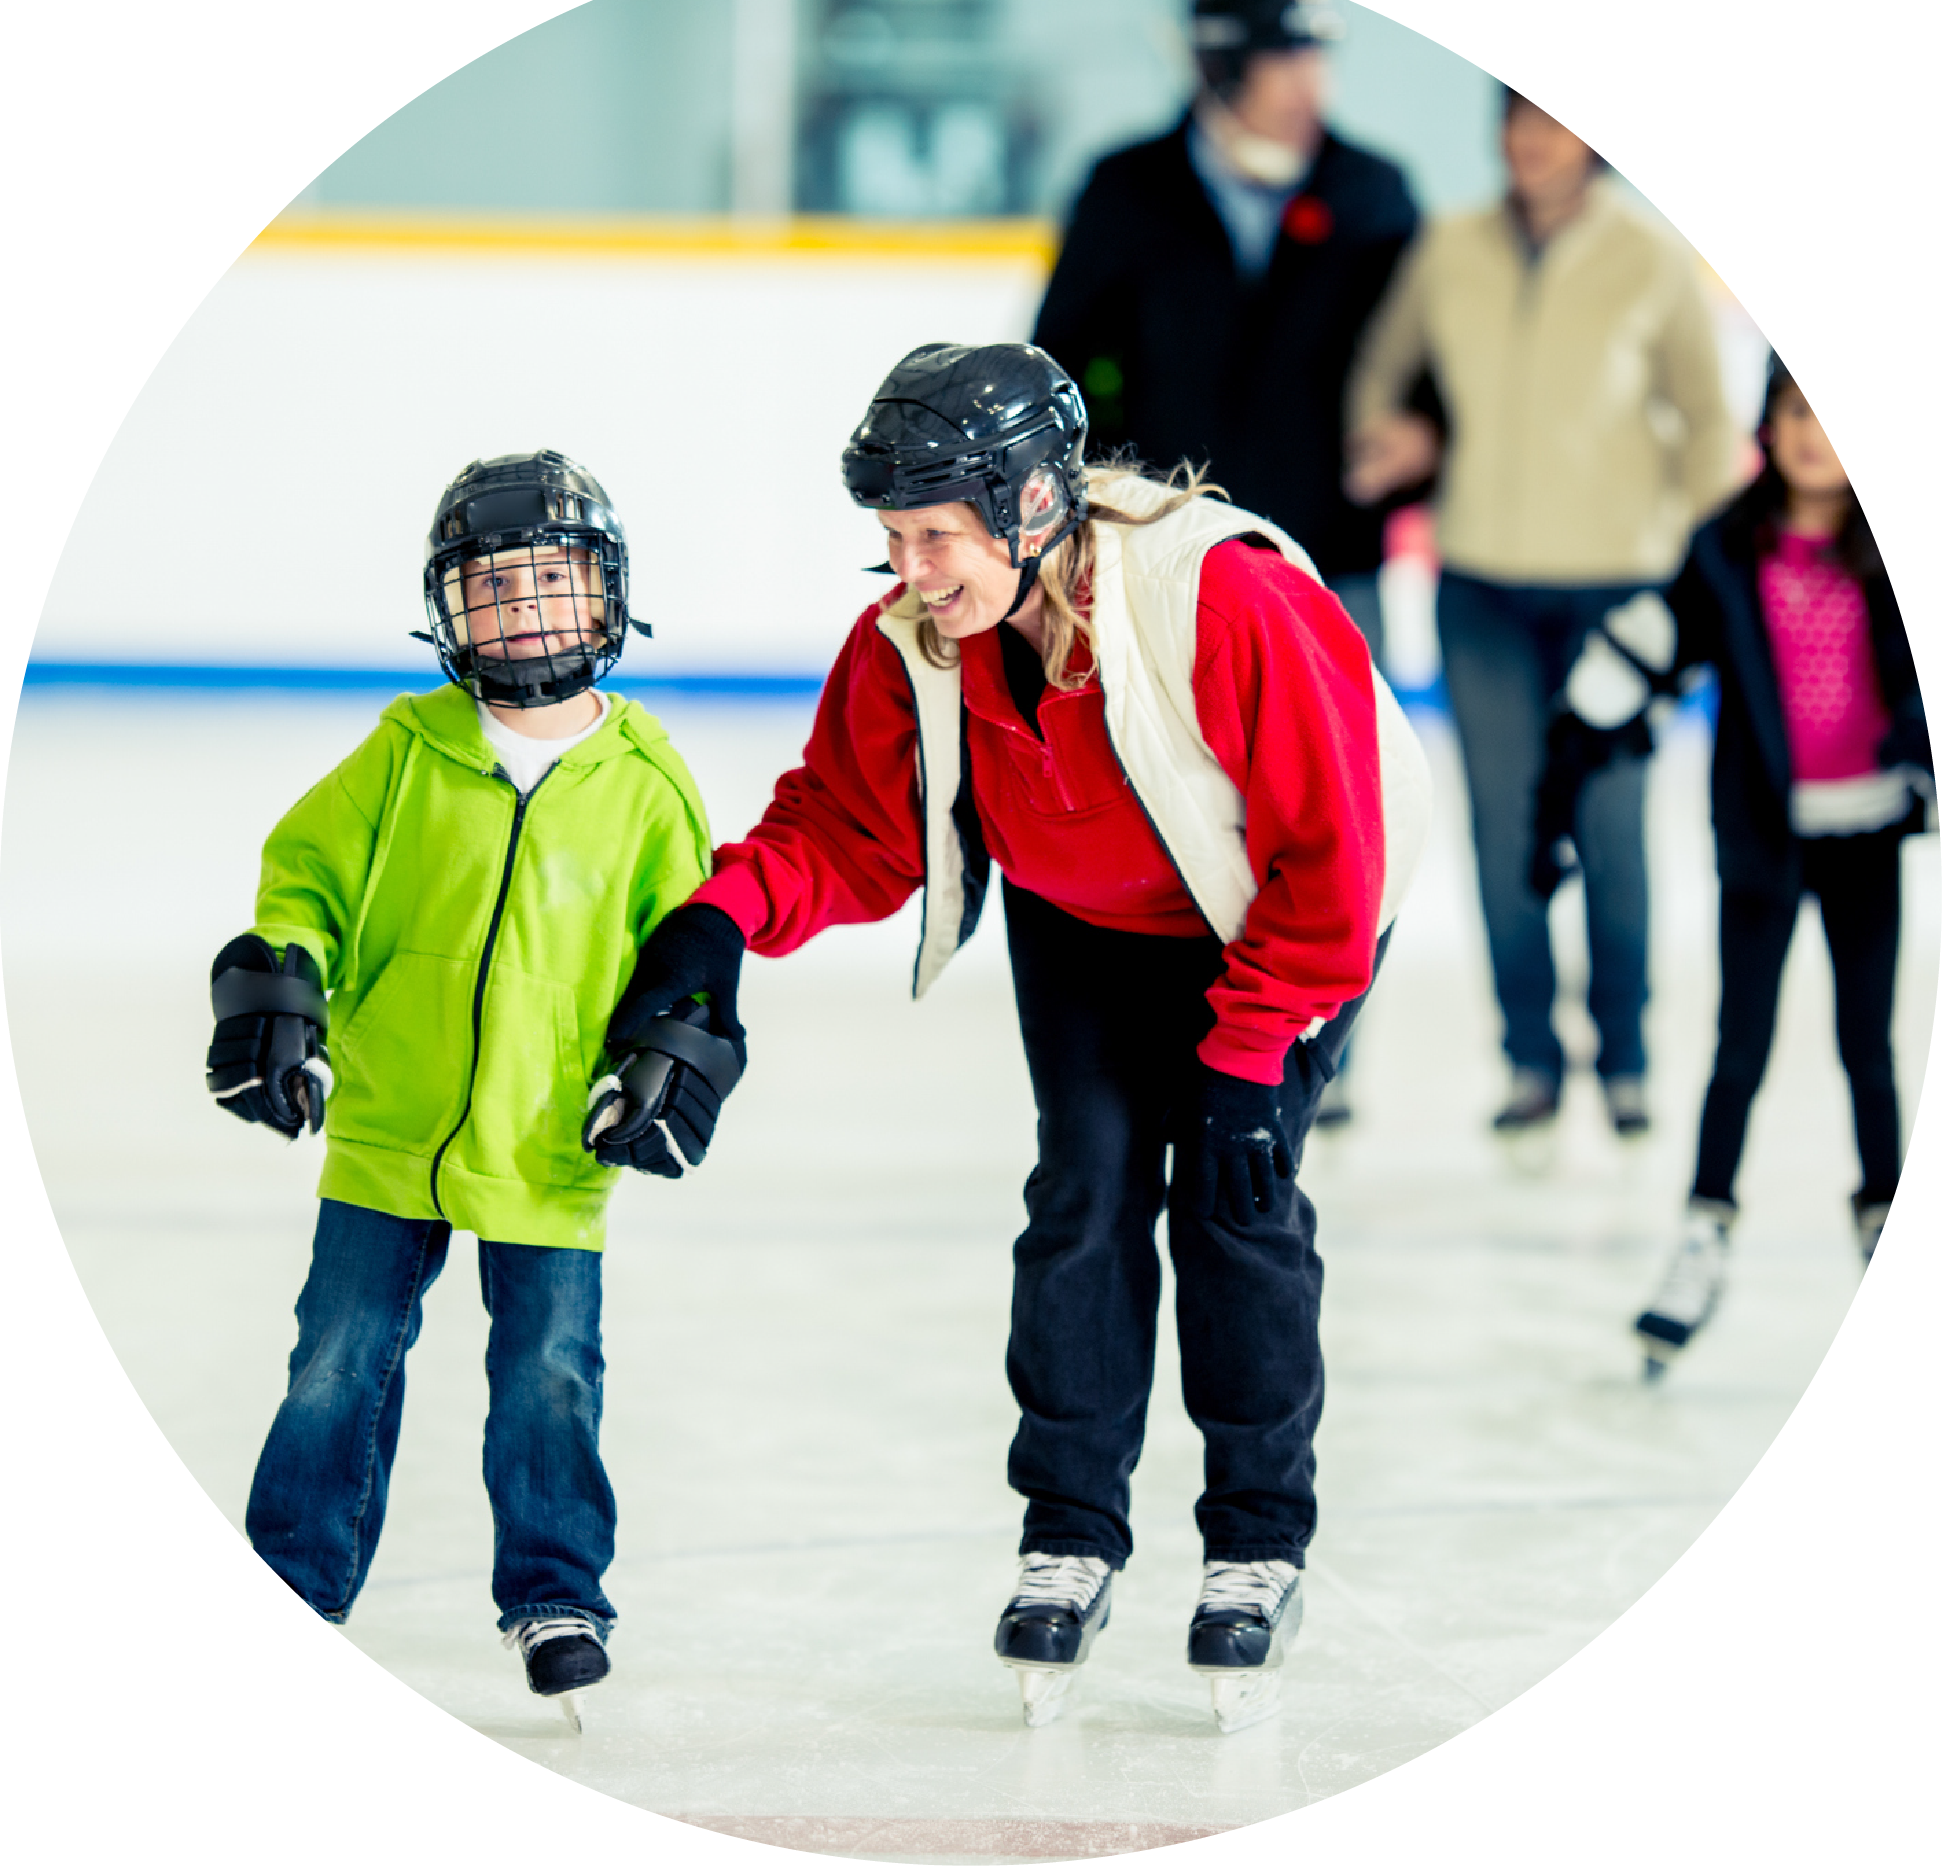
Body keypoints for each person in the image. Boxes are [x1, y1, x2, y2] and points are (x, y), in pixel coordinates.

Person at [596, 343, 1432, 1733]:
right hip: (1087, 921)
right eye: (890, 538)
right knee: (1083, 1194)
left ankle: (1254, 1542)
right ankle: (1070, 1533)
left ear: (1032, 501)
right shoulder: (915, 639)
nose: (909, 569)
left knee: (1230, 1203)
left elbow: (1333, 856)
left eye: (934, 534)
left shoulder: (1223, 598)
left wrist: (1249, 1055)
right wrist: (714, 924)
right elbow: (845, 827)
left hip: (1275, 917)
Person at [209, 451, 725, 1726]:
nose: (525, 611)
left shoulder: (648, 784)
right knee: (334, 1360)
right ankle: (293, 1584)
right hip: (390, 1124)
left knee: (550, 1374)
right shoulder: (404, 753)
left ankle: (557, 1593)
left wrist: (670, 1053)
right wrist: (282, 983)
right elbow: (305, 882)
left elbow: (686, 950)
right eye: (493, 588)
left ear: (605, 596)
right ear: (450, 608)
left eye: (551, 582)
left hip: (550, 1143)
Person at [1033, 0, 1420, 1129]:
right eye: (1283, 61)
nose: (1310, 86)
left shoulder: (1372, 194)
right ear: (1219, 67)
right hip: (1159, 565)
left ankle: (1315, 1037)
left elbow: (1425, 363)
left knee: (1332, 802)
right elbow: (1061, 364)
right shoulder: (1125, 189)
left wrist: (1422, 436)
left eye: (1317, 59)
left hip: (1324, 561)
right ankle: (1189, 1030)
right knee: (1174, 791)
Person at [1346, 88, 1741, 1147]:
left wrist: (1695, 570)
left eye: (1553, 123)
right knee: (1503, 830)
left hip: (1619, 591)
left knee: (1610, 826)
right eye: (1518, 120)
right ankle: (1528, 1058)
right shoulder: (1450, 248)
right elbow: (1382, 372)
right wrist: (1393, 437)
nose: (1531, 141)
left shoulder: (1650, 258)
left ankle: (1626, 1057)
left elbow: (1710, 425)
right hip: (1480, 585)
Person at [1530, 359, 1931, 1376]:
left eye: (1834, 416)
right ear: (1767, 424)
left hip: (1867, 831)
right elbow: (1647, 648)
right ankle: (1703, 1233)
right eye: (1797, 411)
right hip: (1762, 839)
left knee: (1867, 1048)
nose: (1816, 435)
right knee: (1738, 1049)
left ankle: (1883, 1225)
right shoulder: (1723, 550)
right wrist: (1567, 767)